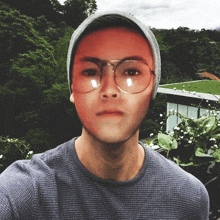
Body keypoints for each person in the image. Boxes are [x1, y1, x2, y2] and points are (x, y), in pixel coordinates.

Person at [0, 11, 209, 219]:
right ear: (72, 89)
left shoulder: (189, 198)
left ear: (152, 89)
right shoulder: (22, 195)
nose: (110, 89)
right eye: (91, 72)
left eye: (131, 72)